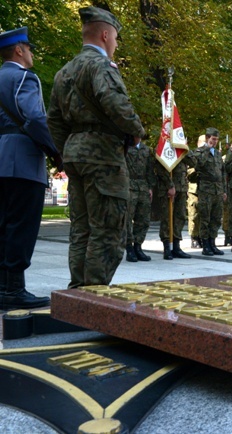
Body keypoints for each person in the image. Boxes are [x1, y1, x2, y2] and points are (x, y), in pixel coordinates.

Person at [47, 7, 145, 288]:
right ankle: (94, 296)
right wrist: (136, 131)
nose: (115, 45)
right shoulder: (100, 66)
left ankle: (78, 293)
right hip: (103, 156)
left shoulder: (64, 71)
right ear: (105, 35)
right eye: (115, 39)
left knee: (82, 229)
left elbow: (53, 119)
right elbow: (114, 102)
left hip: (75, 154)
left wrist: (66, 150)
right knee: (108, 229)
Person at [0, 27, 63, 309]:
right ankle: (13, 290)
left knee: (2, 225)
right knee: (21, 227)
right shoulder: (25, 77)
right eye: (30, 48)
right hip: (22, 161)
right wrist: (56, 151)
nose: (32, 53)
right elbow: (36, 119)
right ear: (19, 50)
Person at [186, 128, 226, 256]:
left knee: (216, 218)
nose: (214, 142)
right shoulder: (200, 152)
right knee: (205, 218)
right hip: (206, 189)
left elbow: (222, 173)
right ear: (207, 138)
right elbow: (198, 165)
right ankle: (205, 244)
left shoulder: (218, 154)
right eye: (213, 139)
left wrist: (224, 190)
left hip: (217, 190)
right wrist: (206, 149)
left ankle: (212, 242)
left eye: (216, 139)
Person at [124, 139, 155, 262]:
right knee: (127, 219)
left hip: (143, 186)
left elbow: (150, 169)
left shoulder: (146, 149)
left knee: (143, 219)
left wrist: (150, 187)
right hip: (129, 185)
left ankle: (138, 246)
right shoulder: (124, 147)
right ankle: (129, 248)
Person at [187, 134, 205, 249]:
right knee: (194, 214)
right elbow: (190, 173)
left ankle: (202, 236)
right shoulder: (193, 155)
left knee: (204, 214)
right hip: (194, 189)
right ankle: (194, 237)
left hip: (205, 189)